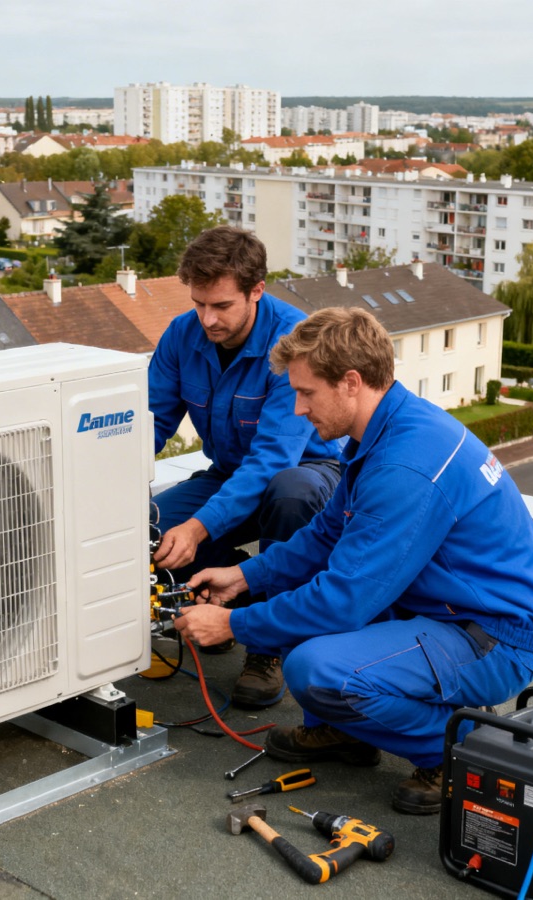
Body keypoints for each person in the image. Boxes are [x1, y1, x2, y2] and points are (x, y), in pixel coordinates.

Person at [174, 307, 533, 814]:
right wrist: (244, 576)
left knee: (315, 665)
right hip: (441, 608)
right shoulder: (385, 430)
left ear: (351, 382)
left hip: (490, 636)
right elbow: (326, 535)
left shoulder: (405, 465)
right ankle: (347, 731)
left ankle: (460, 751)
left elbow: (343, 601)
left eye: (306, 393)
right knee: (298, 625)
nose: (297, 409)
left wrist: (233, 624)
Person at [149, 226, 343, 709]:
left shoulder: (292, 342)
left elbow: (271, 460)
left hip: (309, 476)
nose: (207, 319)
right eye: (198, 303)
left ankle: (268, 649)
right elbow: (148, 426)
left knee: (288, 491)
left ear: (257, 290)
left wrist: (198, 529)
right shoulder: (181, 335)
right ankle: (236, 592)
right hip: (230, 474)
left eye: (221, 306)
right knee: (150, 530)